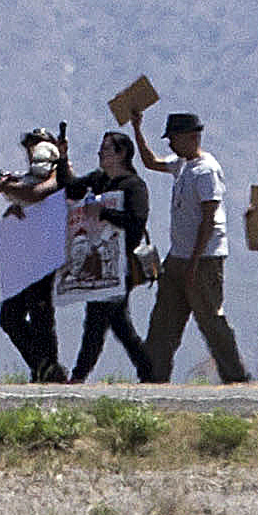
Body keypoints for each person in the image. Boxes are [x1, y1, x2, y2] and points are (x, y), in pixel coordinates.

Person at [129, 107, 247, 381]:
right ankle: (153, 379)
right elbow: (150, 161)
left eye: (174, 137)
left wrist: (193, 262)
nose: (170, 142)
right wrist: (137, 128)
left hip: (203, 259)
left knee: (211, 321)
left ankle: (235, 378)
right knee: (164, 321)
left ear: (192, 137)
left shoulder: (206, 171)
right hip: (178, 257)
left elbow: (209, 220)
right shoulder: (182, 165)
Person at [65, 136, 154, 383]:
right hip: (100, 266)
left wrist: (104, 213)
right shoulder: (98, 180)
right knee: (121, 327)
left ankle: (77, 378)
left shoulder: (134, 186)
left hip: (120, 266)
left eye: (105, 149)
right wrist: (63, 160)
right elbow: (71, 188)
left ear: (122, 152)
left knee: (95, 322)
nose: (99, 154)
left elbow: (136, 221)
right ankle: (150, 374)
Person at [0, 129, 72, 382]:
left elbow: (34, 195)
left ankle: (48, 371)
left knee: (41, 316)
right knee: (11, 316)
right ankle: (44, 367)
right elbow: (21, 202)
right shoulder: (29, 178)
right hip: (27, 257)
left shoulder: (62, 176)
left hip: (48, 255)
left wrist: (7, 186)